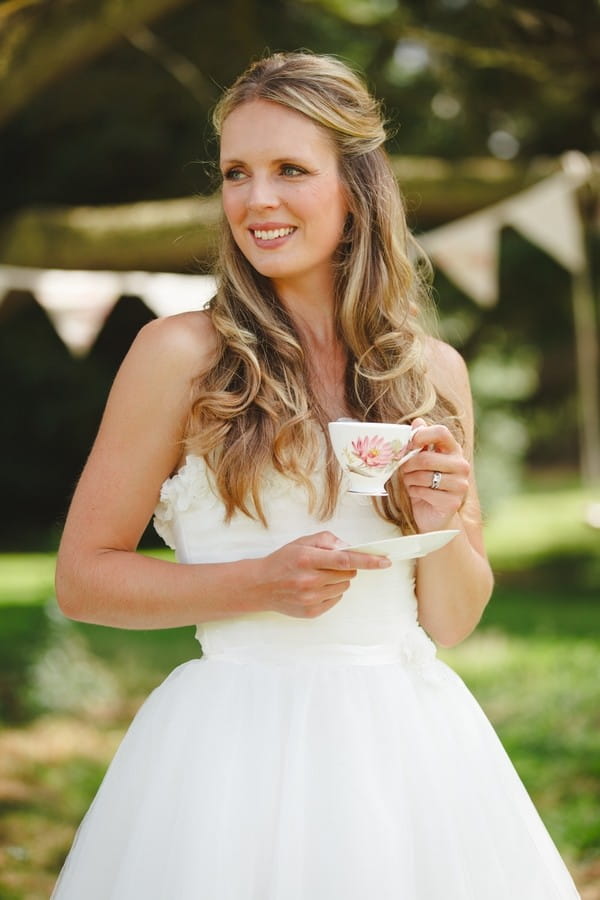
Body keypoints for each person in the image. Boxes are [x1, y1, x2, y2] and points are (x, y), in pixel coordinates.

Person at [51, 51, 580, 899]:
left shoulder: (432, 372)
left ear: (357, 189)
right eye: (237, 173)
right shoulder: (179, 357)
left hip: (413, 754)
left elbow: (452, 619)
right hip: (233, 755)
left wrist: (434, 518)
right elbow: (82, 581)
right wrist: (259, 583)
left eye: (290, 170)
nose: (257, 200)